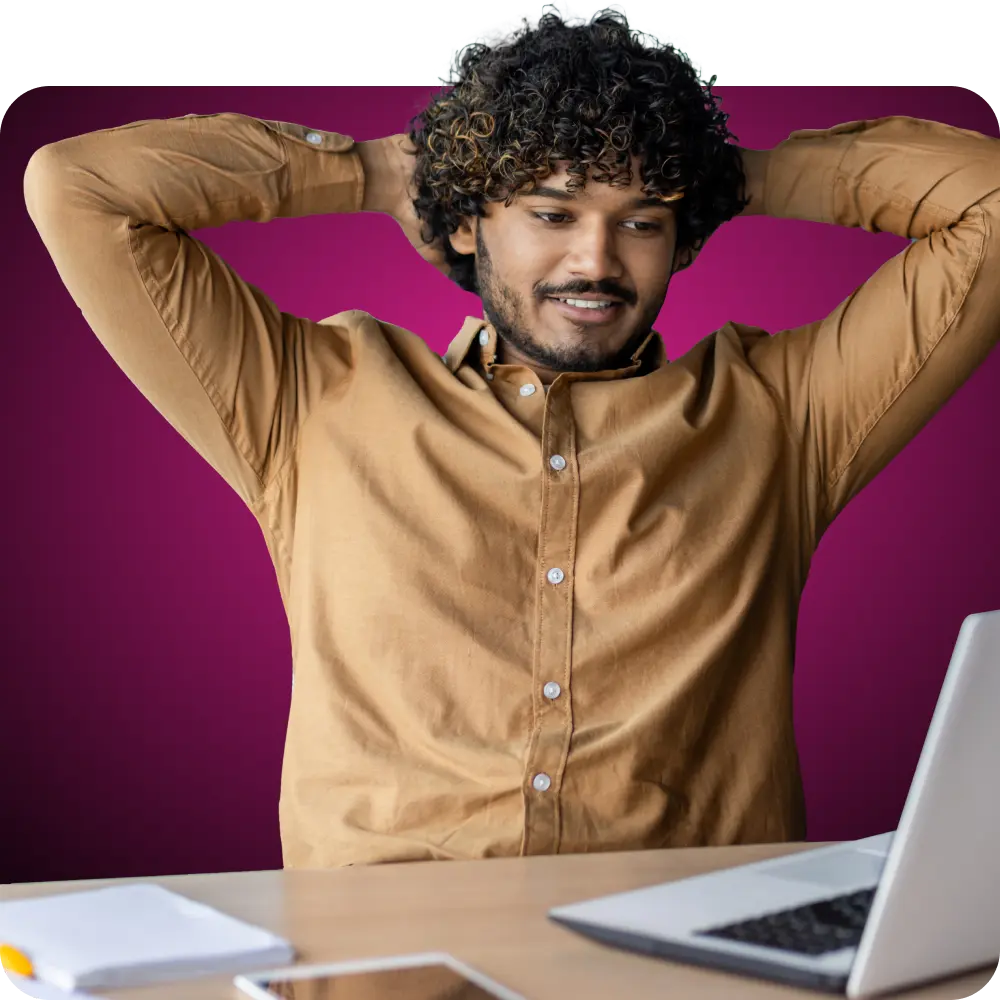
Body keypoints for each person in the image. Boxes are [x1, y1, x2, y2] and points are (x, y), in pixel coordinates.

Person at [23, 2, 1000, 871]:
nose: (595, 259)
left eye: (642, 222)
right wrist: (371, 171)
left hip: (683, 966)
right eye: (550, 211)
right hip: (380, 971)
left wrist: (714, 171)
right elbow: (80, 188)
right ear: (463, 222)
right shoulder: (312, 402)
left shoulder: (781, 416)